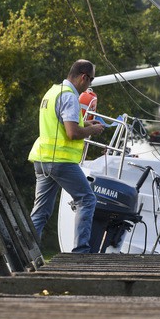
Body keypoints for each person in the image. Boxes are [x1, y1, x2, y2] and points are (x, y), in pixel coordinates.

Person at [28, 60, 104, 253]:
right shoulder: (70, 97)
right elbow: (71, 133)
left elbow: (60, 124)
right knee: (87, 199)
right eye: (90, 81)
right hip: (60, 161)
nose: (89, 86)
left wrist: (85, 124)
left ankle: (26, 253)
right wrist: (92, 130)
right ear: (83, 77)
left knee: (41, 211)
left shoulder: (53, 92)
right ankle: (80, 253)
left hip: (42, 159)